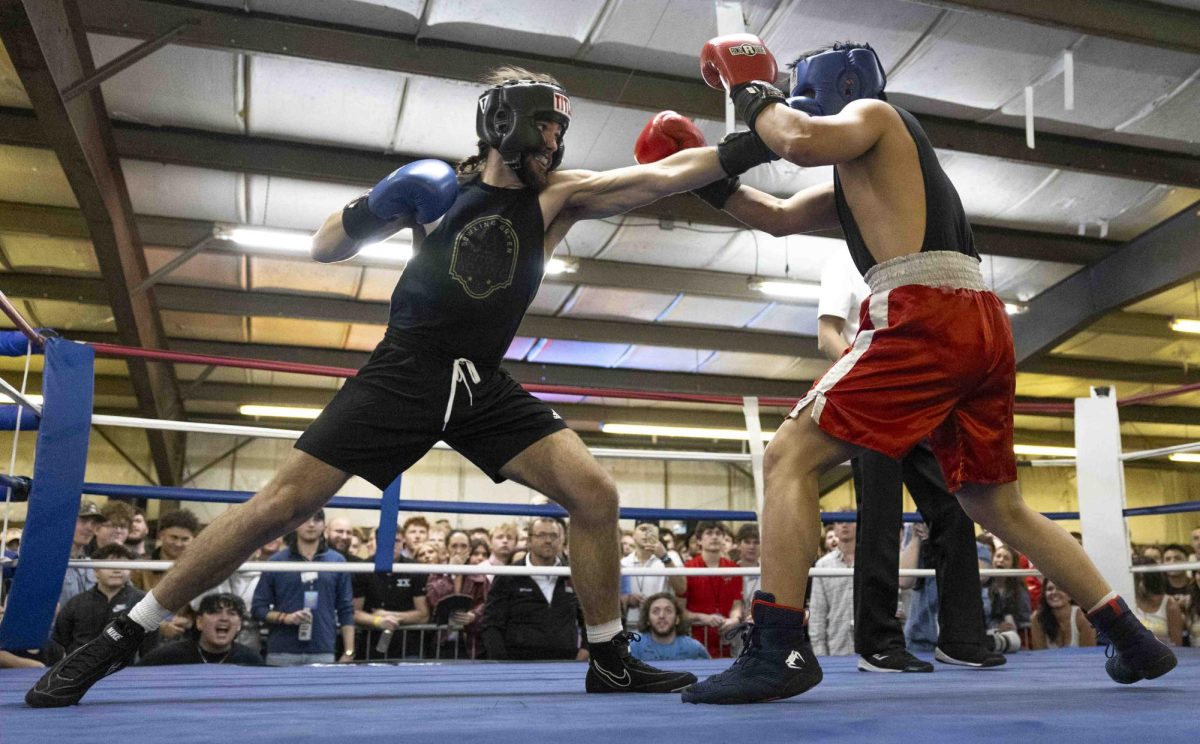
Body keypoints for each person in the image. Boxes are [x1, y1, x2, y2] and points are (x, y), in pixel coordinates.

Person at [28, 62, 772, 705]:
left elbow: (665, 176)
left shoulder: (558, 197)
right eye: (546, 128)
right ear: (506, 123)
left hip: (480, 384)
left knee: (595, 495)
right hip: (405, 371)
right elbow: (324, 247)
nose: (556, 143)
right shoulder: (435, 191)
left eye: (559, 132)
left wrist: (754, 135)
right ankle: (121, 639)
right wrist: (375, 204)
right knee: (278, 506)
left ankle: (610, 661)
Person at [671, 35, 1175, 703]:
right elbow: (778, 217)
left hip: (927, 313)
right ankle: (1129, 635)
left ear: (835, 90)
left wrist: (746, 84)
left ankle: (779, 649)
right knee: (995, 502)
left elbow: (792, 139)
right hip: (981, 324)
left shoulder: (877, 117)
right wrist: (705, 178)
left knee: (787, 457)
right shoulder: (868, 169)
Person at [817, 249, 998, 672]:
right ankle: (878, 643)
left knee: (954, 509)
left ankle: (962, 637)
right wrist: (865, 379)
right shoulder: (843, 261)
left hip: (920, 401)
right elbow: (827, 333)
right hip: (872, 400)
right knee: (881, 516)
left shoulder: (918, 257)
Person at [251, 511, 356, 666]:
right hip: (282, 651)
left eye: (317, 520)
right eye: (305, 519)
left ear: (324, 526)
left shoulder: (338, 561)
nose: (311, 524)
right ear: (294, 525)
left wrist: (349, 652)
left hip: (323, 650)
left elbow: (346, 609)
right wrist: (285, 618)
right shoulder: (276, 562)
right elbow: (258, 609)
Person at [481, 517, 585, 661]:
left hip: (565, 662)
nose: (548, 540)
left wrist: (586, 649)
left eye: (554, 535)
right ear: (528, 541)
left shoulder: (574, 575)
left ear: (561, 540)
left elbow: (589, 617)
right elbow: (492, 624)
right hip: (518, 663)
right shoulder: (508, 575)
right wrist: (501, 662)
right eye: (541, 535)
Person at [53, 544, 151, 656]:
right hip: (80, 668)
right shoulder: (76, 603)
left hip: (126, 670)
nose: (117, 570)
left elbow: (149, 647)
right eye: (110, 565)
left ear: (130, 571)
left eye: (123, 565)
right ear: (96, 570)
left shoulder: (142, 602)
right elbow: (60, 643)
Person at [353, 524, 429, 660]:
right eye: (386, 541)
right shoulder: (363, 569)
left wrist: (388, 615)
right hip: (371, 646)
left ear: (403, 542)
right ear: (376, 542)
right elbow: (354, 612)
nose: (392, 545)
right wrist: (377, 620)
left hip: (408, 646)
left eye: (396, 541)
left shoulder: (416, 569)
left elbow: (423, 615)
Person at [138, 593, 263, 666]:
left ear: (239, 624)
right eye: (215, 612)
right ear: (199, 622)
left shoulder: (250, 659)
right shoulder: (169, 655)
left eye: (231, 613)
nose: (224, 618)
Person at [681, 521, 743, 658]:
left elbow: (736, 604)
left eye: (718, 533)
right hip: (696, 640)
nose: (714, 537)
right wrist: (702, 617)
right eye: (709, 533)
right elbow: (681, 611)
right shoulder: (688, 569)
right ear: (699, 540)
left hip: (726, 640)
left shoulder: (733, 568)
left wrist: (734, 620)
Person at [620, 522, 685, 629]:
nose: (647, 533)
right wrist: (629, 599)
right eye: (643, 529)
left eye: (651, 530)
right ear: (634, 535)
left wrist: (664, 557)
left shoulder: (671, 556)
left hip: (663, 625)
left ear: (658, 534)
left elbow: (681, 588)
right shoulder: (624, 562)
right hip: (632, 626)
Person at [808, 519, 856, 656]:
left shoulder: (871, 561)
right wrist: (820, 653)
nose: (845, 524)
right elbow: (817, 612)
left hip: (870, 648)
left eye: (851, 520)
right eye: (840, 521)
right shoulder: (823, 565)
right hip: (836, 647)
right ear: (834, 527)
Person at [629, 594, 710, 662]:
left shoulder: (694, 648)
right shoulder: (634, 648)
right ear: (647, 620)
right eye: (655, 611)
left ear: (677, 619)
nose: (662, 616)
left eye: (668, 611)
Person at [1130, 556, 1184, 647]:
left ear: (1144, 579)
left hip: (1163, 657)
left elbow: (1177, 644)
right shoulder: (1128, 601)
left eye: (1135, 579)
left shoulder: (1170, 604)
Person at [59, 501, 105, 607]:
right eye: (83, 521)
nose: (89, 528)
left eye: (94, 523)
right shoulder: (50, 561)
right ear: (67, 521)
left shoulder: (90, 564)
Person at [1029, 580, 1096, 650]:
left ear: (1070, 595)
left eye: (1060, 589)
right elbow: (1040, 655)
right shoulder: (1037, 618)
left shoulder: (1083, 618)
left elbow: (1088, 653)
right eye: (1049, 589)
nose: (1054, 592)